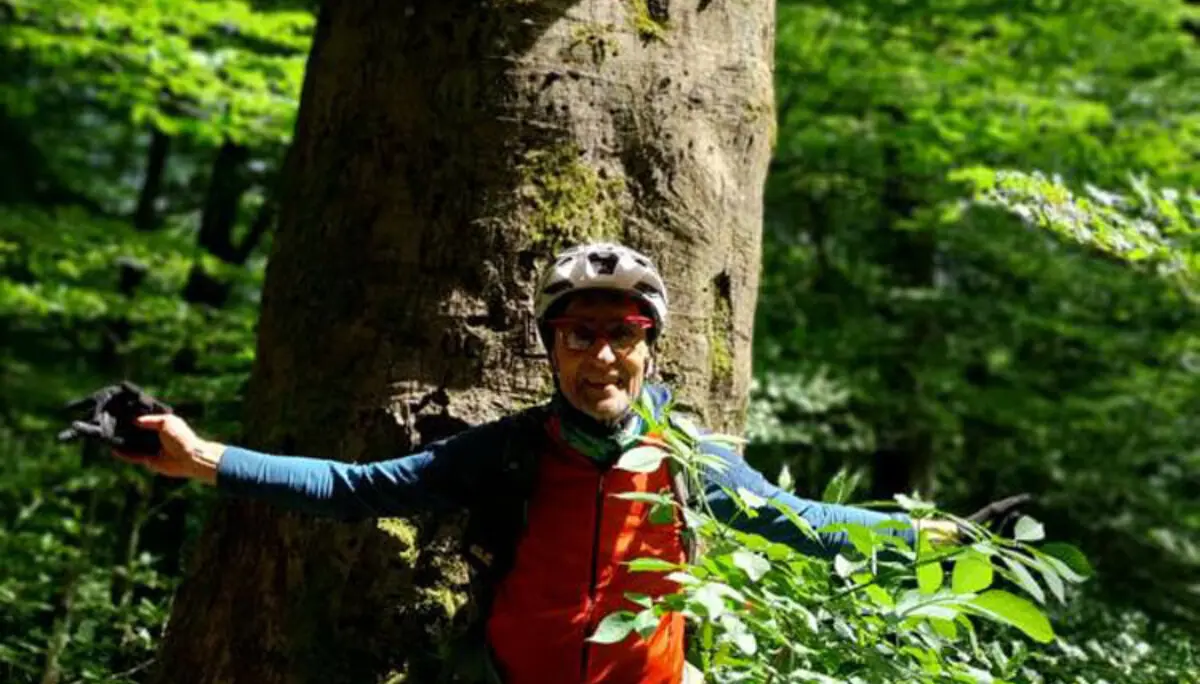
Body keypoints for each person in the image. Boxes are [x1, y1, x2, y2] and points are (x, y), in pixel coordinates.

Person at [103, 243, 1009, 684]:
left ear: (651, 348)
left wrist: (930, 539)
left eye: (625, 335)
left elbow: (801, 522)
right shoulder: (508, 452)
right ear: (550, 346)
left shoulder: (688, 457)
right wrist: (205, 458)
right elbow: (356, 490)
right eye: (581, 334)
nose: (604, 356)